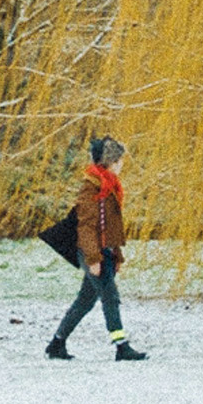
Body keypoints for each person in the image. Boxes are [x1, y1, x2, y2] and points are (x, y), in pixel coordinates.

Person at [46, 137, 147, 361]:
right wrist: (93, 259)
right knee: (110, 296)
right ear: (109, 162)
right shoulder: (92, 188)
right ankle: (122, 347)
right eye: (119, 160)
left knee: (84, 301)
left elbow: (110, 226)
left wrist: (117, 254)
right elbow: (87, 226)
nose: (122, 164)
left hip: (105, 251)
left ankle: (56, 343)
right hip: (93, 252)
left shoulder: (109, 187)